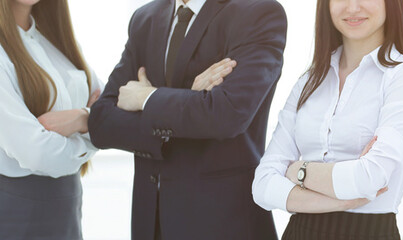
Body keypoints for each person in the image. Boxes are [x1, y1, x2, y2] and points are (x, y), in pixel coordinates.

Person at [86, 0, 287, 238]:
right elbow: (101, 123)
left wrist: (147, 98)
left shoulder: (257, 12)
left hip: (221, 223)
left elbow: (227, 114)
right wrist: (191, 100)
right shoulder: (145, 18)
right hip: (151, 224)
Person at [251, 0, 403, 239]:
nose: (353, 7)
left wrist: (298, 171)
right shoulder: (309, 81)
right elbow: (262, 186)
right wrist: (342, 201)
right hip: (299, 233)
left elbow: (370, 179)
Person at [0, 0, 102, 238]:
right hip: (13, 218)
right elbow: (36, 153)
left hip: (66, 215)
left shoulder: (60, 44)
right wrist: (93, 131)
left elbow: (109, 110)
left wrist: (82, 119)